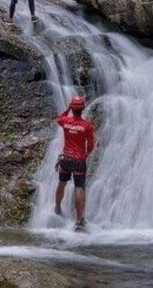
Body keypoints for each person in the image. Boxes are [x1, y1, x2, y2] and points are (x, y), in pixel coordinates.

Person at [54, 95, 95, 232]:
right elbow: (90, 145)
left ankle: (57, 207)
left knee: (62, 182)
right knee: (79, 188)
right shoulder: (87, 126)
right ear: (83, 109)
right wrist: (86, 154)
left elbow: (59, 118)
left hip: (66, 158)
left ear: (73, 108)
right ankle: (78, 221)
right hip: (78, 160)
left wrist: (68, 109)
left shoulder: (65, 121)